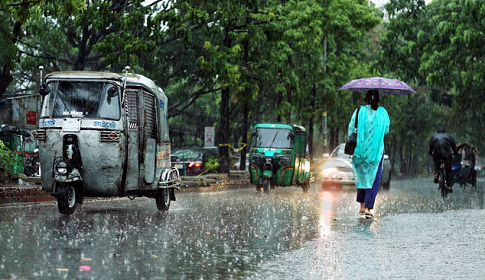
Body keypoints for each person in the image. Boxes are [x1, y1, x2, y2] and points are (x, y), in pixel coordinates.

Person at [348, 89, 390, 219]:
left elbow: (351, 129)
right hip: (376, 153)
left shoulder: (359, 111)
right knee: (374, 180)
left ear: (366, 99)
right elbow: (386, 130)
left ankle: (361, 206)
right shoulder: (383, 113)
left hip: (360, 152)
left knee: (362, 178)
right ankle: (368, 208)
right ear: (378, 100)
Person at [429, 125, 458, 191]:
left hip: (437, 154)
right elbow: (453, 146)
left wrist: (431, 153)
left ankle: (436, 173)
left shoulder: (434, 137)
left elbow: (431, 148)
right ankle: (449, 186)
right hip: (446, 155)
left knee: (436, 162)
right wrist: (455, 152)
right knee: (449, 169)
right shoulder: (448, 136)